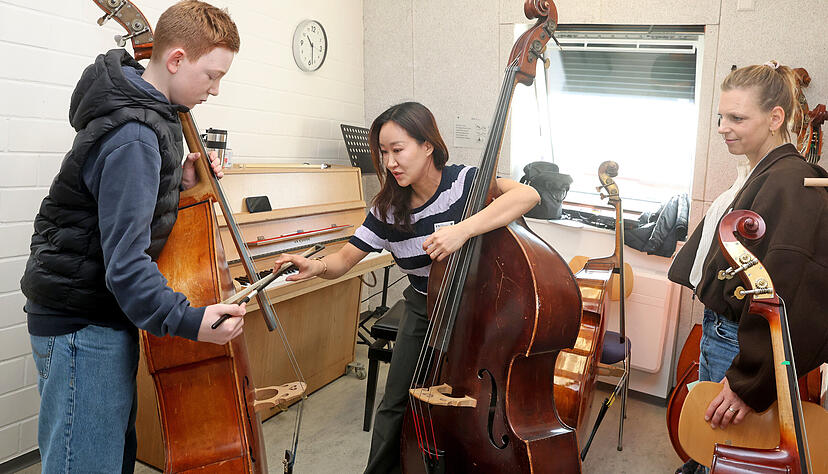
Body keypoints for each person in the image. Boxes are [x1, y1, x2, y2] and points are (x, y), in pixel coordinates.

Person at [19, 2, 247, 472]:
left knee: (106, 457)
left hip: (92, 311)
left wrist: (176, 180)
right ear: (177, 59)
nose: (216, 89)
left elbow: (125, 204)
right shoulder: (136, 135)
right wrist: (188, 321)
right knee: (86, 465)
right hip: (82, 321)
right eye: (211, 75)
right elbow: (125, 263)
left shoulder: (148, 113)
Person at [272, 101, 541, 473]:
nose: (389, 162)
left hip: (477, 307)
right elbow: (344, 260)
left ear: (427, 145)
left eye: (397, 150)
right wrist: (315, 265)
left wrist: (462, 230)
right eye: (383, 153)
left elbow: (528, 196)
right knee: (395, 402)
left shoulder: (464, 182)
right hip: (422, 305)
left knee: (478, 403)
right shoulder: (387, 209)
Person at [668, 61, 828, 473]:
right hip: (724, 336)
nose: (723, 126)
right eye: (722, 116)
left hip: (739, 346)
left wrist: (748, 382)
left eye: (737, 117)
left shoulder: (790, 182)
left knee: (726, 454)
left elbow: (787, 292)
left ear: (776, 118)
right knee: (710, 451)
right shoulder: (760, 174)